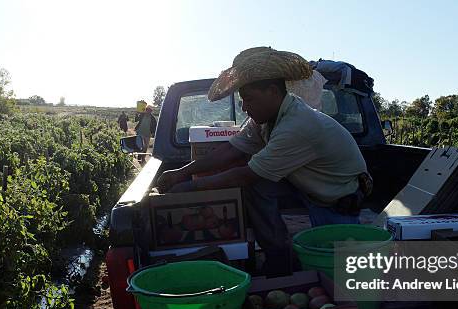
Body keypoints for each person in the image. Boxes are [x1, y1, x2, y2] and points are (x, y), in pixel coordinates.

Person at [157, 47, 371, 276]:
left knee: (336, 272)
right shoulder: (264, 119)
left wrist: (189, 188)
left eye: (248, 99)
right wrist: (182, 171)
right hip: (306, 184)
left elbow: (246, 174)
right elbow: (231, 150)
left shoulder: (297, 125)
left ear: (272, 91)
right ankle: (280, 259)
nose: (244, 107)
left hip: (336, 197)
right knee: (255, 188)